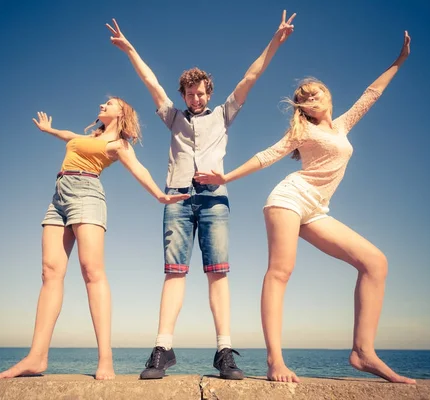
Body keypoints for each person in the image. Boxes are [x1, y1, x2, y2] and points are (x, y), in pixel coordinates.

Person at [195, 32, 416, 384]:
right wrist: (224, 177)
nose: (313, 97)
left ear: (328, 97)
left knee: (375, 263)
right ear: (303, 108)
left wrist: (399, 60)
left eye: (318, 92)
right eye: (306, 97)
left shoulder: (342, 125)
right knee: (281, 272)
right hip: (287, 199)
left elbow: (371, 94)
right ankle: (275, 361)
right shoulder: (302, 131)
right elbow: (267, 156)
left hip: (316, 209)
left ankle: (363, 352)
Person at [105, 11, 295, 380]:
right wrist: (130, 50)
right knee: (174, 274)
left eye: (201, 92)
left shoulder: (223, 115)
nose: (195, 97)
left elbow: (250, 77)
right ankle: (163, 348)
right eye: (190, 93)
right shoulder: (173, 118)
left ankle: (224, 351)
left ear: (209, 93)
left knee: (218, 275)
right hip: (177, 200)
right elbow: (151, 83)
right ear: (184, 95)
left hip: (214, 201)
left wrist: (275, 41)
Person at [0, 98, 188, 380]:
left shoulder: (119, 145)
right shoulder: (90, 137)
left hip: (87, 193)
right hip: (59, 196)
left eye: (109, 103)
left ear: (121, 113)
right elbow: (70, 136)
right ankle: (36, 357)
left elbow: (138, 169)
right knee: (50, 272)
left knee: (92, 272)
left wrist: (159, 195)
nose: (102, 104)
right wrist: (50, 130)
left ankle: (105, 359)